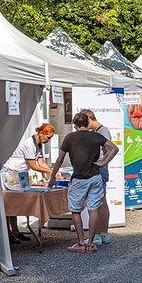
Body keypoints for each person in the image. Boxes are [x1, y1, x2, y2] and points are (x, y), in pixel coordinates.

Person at [50, 111, 117, 254]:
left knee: (75, 210)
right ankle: (91, 243)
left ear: (75, 125)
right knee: (94, 209)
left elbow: (60, 159)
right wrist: (103, 162)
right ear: (88, 123)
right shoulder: (96, 136)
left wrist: (52, 176)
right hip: (95, 176)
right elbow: (114, 149)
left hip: (79, 178)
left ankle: (81, 242)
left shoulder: (69, 138)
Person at [1, 123, 56, 241]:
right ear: (41, 133)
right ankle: (8, 233)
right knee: (9, 203)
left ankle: (15, 231)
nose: (49, 140)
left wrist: (50, 173)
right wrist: (51, 172)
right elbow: (33, 165)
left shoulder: (38, 144)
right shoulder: (29, 144)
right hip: (11, 172)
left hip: (20, 173)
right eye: (48, 137)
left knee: (14, 203)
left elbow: (41, 163)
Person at [82, 108, 114, 246]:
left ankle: (100, 233)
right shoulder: (97, 132)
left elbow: (110, 150)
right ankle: (102, 233)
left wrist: (102, 163)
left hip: (100, 170)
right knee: (100, 201)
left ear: (89, 119)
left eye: (85, 122)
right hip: (99, 169)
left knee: (98, 202)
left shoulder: (103, 131)